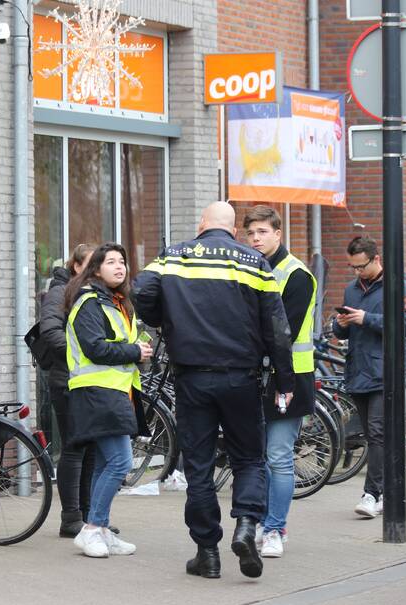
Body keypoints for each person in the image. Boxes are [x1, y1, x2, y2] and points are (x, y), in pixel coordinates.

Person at [133, 201, 294, 579]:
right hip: (241, 377)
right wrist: (284, 380)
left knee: (200, 466)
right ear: (234, 230)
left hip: (192, 378)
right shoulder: (254, 263)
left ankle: (207, 553)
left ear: (201, 225)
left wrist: (164, 318)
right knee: (249, 459)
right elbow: (277, 328)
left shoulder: (173, 257)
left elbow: (141, 291)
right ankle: (247, 527)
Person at [63, 243, 152, 558]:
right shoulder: (89, 302)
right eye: (111, 261)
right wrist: (134, 351)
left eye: (122, 261)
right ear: (96, 269)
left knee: (104, 464)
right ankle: (92, 529)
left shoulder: (116, 302)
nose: (119, 266)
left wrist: (138, 349)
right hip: (97, 392)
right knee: (120, 462)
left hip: (115, 391)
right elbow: (95, 348)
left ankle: (99, 529)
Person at [243, 206, 316, 559]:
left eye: (262, 232)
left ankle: (275, 529)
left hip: (290, 377)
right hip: (257, 376)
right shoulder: (251, 269)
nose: (255, 239)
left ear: (278, 233)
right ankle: (265, 521)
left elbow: (282, 330)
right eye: (251, 233)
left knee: (278, 457)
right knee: (260, 457)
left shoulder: (296, 274)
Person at [333, 236, 406, 520]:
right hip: (359, 371)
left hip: (386, 372)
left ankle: (371, 493)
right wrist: (341, 324)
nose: (357, 272)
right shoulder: (351, 290)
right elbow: (344, 332)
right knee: (373, 436)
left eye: (361, 266)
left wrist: (365, 318)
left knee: (378, 432)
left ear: (376, 258)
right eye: (353, 267)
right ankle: (386, 492)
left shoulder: (397, 286)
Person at [38, 243, 96, 537]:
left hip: (87, 380)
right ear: (77, 266)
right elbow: (50, 331)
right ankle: (71, 518)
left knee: (90, 450)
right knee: (74, 448)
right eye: (91, 264)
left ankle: (88, 516)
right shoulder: (60, 292)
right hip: (67, 380)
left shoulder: (92, 293)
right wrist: (82, 355)